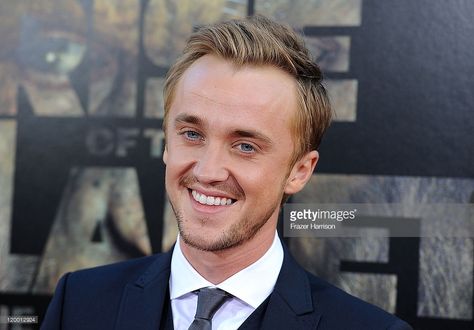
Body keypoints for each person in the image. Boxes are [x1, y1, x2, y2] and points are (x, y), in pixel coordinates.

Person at [41, 15, 412, 330]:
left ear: (299, 172)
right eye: (192, 134)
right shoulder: (78, 304)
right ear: (167, 143)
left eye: (245, 146)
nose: (207, 171)